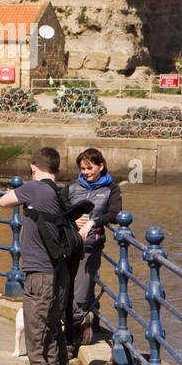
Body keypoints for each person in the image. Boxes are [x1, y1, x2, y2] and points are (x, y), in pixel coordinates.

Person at [0, 147, 88, 365]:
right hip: (59, 272)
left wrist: (27, 189)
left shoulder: (35, 188)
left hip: (40, 274)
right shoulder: (58, 193)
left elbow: (3, 201)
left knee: (37, 334)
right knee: (53, 330)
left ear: (33, 167)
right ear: (58, 170)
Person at [67, 147, 122, 347]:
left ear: (101, 166)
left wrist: (93, 222)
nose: (85, 172)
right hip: (67, 245)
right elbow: (61, 209)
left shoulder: (112, 189)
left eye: (89, 168)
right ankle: (76, 329)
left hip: (90, 246)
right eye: (82, 168)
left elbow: (115, 213)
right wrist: (73, 220)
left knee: (80, 293)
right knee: (65, 289)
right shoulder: (72, 187)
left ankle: (74, 337)